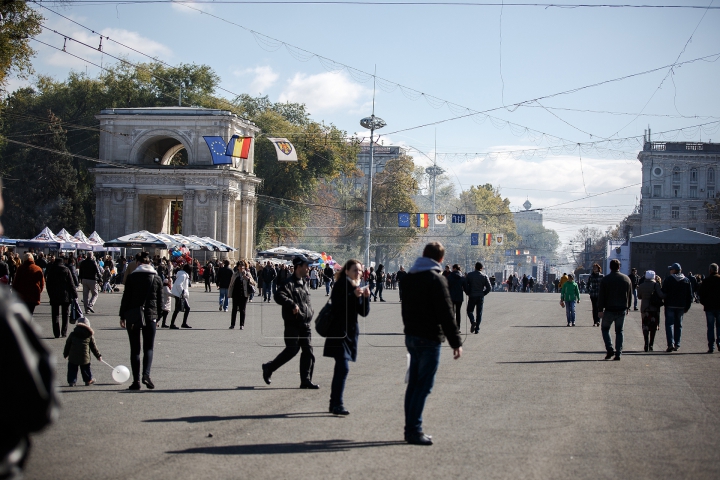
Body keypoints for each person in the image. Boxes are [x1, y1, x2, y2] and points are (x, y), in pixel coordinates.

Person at [401, 242, 462, 445]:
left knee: (413, 385)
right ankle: (414, 431)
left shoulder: (409, 278)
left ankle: (409, 428)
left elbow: (405, 308)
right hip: (429, 338)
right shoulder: (437, 279)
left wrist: (409, 329)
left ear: (422, 255)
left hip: (411, 336)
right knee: (424, 386)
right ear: (440, 260)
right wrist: (455, 342)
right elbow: (446, 313)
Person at [262, 256, 318, 389]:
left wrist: (310, 312)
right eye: (306, 266)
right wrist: (292, 304)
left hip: (305, 323)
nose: (308, 268)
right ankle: (269, 367)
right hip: (293, 323)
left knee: (308, 351)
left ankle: (305, 380)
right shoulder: (289, 282)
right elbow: (278, 295)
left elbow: (306, 302)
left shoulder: (303, 282)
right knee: (292, 350)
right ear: (299, 267)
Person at [323, 259, 371, 415]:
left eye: (360, 270)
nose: (358, 273)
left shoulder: (354, 286)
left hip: (349, 333)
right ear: (346, 271)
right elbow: (337, 306)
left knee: (341, 369)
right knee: (343, 367)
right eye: (355, 270)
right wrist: (353, 296)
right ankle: (337, 403)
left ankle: (334, 403)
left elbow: (363, 313)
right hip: (338, 332)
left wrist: (365, 298)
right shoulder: (341, 285)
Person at [119, 251, 162, 390]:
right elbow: (161, 302)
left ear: (138, 263)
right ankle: (146, 375)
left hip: (133, 315)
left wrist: (122, 316)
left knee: (135, 349)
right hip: (151, 316)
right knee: (149, 348)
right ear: (150, 263)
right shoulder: (157, 278)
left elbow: (125, 298)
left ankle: (136, 381)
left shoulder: (132, 278)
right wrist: (158, 317)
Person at [597, 259, 632, 360]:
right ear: (619, 267)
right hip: (621, 309)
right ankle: (618, 353)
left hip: (609, 309)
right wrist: (628, 307)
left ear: (610, 267)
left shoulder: (606, 279)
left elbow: (602, 296)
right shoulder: (626, 279)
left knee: (605, 329)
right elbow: (629, 295)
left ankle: (610, 349)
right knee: (619, 331)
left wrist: (600, 309)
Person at [661, 262, 693, 353]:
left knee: (669, 324)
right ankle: (677, 344)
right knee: (679, 325)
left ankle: (670, 344)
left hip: (670, 305)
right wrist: (687, 307)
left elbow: (664, 291)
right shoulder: (686, 280)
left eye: (671, 269)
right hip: (681, 306)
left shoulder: (669, 279)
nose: (670, 271)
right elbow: (689, 295)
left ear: (674, 270)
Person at [63, 317, 102, 386]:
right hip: (84, 356)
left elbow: (67, 344)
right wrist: (98, 355)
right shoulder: (89, 335)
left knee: (72, 368)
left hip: (73, 356)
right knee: (86, 368)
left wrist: (65, 354)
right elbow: (93, 347)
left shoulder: (73, 333)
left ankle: (72, 381)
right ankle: (88, 380)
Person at [45, 257, 78, 338]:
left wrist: (50, 294)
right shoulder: (66, 270)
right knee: (65, 314)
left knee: (55, 315)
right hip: (65, 295)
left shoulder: (51, 270)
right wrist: (75, 294)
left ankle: (56, 333)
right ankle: (64, 332)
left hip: (54, 295)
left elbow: (48, 284)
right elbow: (71, 283)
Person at [637, 270, 664, 352]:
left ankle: (646, 343)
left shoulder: (641, 286)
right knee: (653, 327)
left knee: (645, 326)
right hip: (654, 308)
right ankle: (651, 344)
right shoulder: (656, 285)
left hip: (645, 308)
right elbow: (661, 295)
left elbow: (639, 297)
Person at [463, 262, 491, 334]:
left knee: (469, 311)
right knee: (479, 313)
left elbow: (465, 285)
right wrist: (483, 293)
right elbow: (489, 287)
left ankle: (472, 321)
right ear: (481, 268)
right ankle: (477, 329)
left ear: (475, 267)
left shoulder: (470, 275)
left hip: (472, 295)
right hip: (480, 296)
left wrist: (467, 292)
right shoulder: (484, 276)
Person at [698, 263, 720, 353]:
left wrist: (704, 303)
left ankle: (711, 346)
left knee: (710, 327)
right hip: (719, 307)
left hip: (709, 307)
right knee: (719, 326)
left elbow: (701, 294)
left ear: (710, 270)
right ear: (717, 270)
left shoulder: (706, 281)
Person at [228, 261, 256, 329]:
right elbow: (231, 285)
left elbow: (254, 283)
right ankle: (232, 324)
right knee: (234, 309)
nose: (241, 267)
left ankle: (241, 325)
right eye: (240, 266)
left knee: (242, 309)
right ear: (238, 267)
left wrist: (248, 278)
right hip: (236, 294)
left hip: (244, 294)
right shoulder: (235, 274)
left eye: (243, 266)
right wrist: (229, 293)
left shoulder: (248, 274)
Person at [169, 264, 192, 329]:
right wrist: (182, 292)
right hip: (180, 294)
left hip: (180, 294)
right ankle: (174, 324)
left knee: (180, 309)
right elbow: (179, 285)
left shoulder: (182, 274)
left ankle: (180, 323)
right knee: (181, 309)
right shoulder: (183, 275)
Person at [447, 264, 466, 329]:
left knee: (451, 312)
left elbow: (447, 286)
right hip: (459, 296)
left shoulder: (449, 276)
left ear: (454, 268)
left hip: (451, 296)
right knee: (458, 312)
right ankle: (458, 327)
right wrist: (468, 293)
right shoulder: (462, 277)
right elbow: (465, 287)